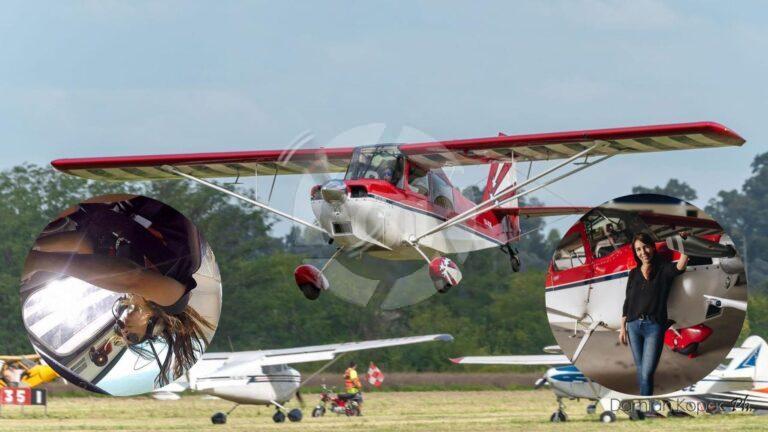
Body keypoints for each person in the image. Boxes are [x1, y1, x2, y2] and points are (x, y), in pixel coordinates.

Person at [23, 195, 215, 386]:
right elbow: (133, 278)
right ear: (155, 327)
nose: (124, 331)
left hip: (103, 207)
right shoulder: (172, 299)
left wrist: (35, 247)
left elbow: (86, 242)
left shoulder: (115, 268)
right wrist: (39, 261)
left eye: (119, 331)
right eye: (131, 336)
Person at [619, 232, 689, 397]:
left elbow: (680, 267)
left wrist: (685, 245)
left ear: (652, 247)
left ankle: (646, 408)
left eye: (645, 247)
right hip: (633, 326)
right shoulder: (634, 273)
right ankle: (647, 408)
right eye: (638, 250)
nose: (643, 252)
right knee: (641, 370)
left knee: (647, 371)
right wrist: (623, 328)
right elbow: (627, 302)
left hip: (654, 327)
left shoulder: (663, 269)